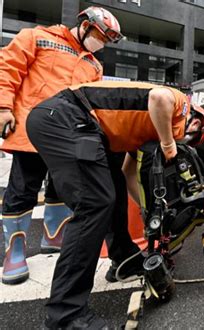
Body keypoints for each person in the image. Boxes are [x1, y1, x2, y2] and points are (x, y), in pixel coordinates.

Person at [25, 80, 204, 329]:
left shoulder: (147, 130)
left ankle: (125, 259)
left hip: (81, 126)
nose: (183, 140)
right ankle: (65, 314)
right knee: (95, 204)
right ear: (196, 122)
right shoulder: (179, 103)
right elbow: (158, 99)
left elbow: (128, 174)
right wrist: (168, 145)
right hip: (66, 117)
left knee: (113, 195)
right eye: (190, 136)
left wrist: (147, 210)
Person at [0, 6, 123, 285]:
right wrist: (2, 107)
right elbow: (7, 68)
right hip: (31, 130)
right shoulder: (37, 37)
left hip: (69, 138)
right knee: (22, 189)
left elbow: (92, 102)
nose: (101, 44)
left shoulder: (94, 65)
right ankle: (14, 252)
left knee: (63, 188)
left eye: (106, 40)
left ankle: (54, 236)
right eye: (100, 36)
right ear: (84, 25)